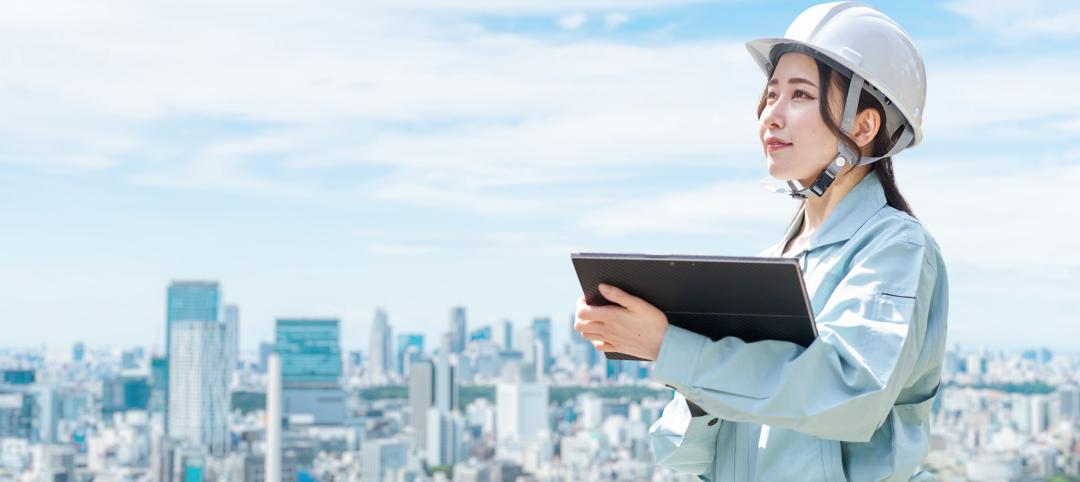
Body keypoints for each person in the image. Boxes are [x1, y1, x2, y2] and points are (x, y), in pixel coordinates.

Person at [573, 2, 947, 481]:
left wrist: (670, 348)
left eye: (799, 94)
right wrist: (693, 372)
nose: (772, 114)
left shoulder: (897, 247)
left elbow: (852, 393)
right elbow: (684, 458)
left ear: (864, 125)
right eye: (770, 95)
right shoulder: (775, 263)